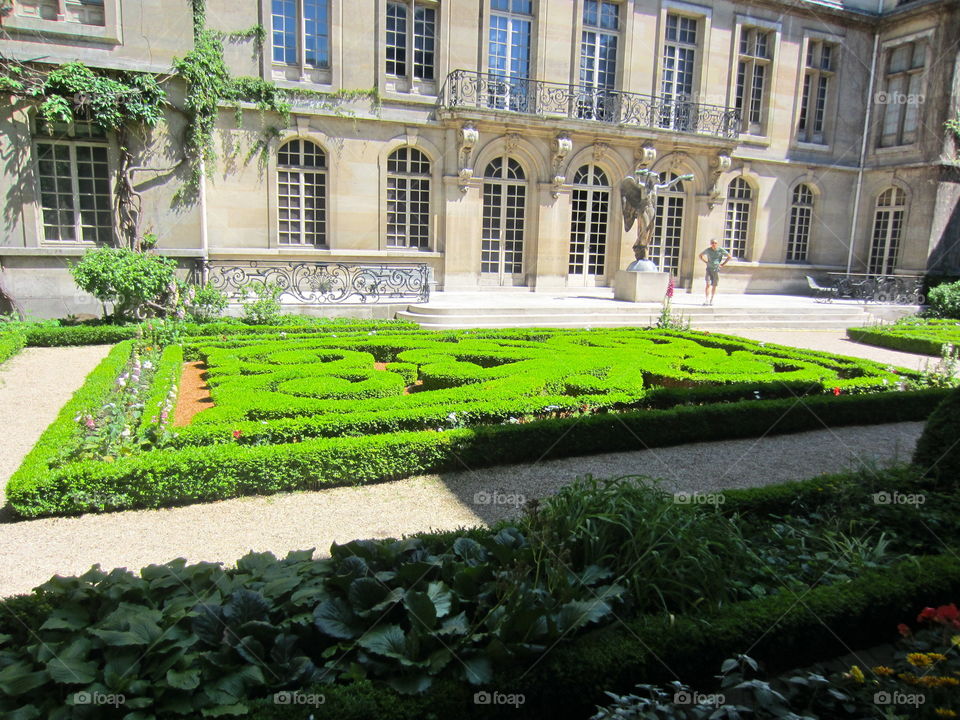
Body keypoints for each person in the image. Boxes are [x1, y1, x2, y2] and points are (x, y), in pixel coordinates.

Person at [698, 240, 730, 305]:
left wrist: (722, 264)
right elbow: (700, 255)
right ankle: (707, 300)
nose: (714, 244)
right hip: (709, 269)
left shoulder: (720, 250)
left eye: (715, 243)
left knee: (714, 285)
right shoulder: (708, 250)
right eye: (712, 243)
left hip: (716, 269)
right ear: (710, 244)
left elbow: (729, 256)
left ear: (717, 244)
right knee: (708, 284)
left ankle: (712, 300)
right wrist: (706, 262)